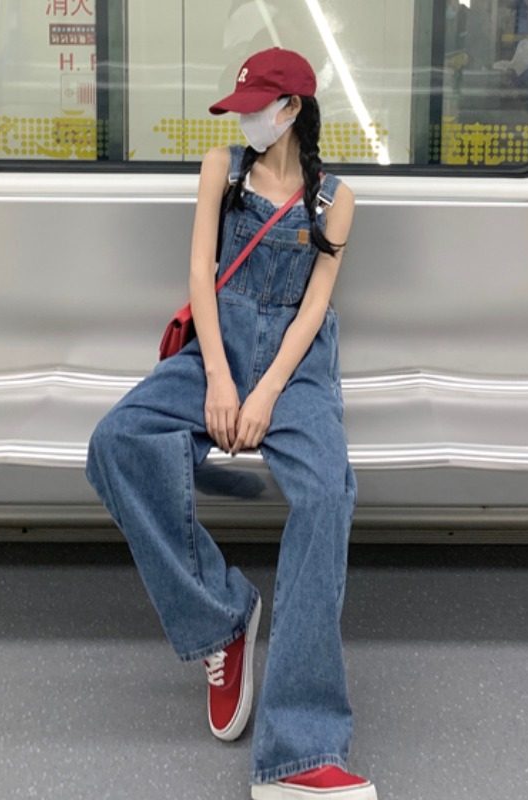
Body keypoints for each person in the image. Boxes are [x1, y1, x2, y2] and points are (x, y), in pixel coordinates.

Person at [84, 46, 377, 800]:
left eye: (257, 108)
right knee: (117, 442)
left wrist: (265, 393)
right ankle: (221, 616)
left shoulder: (335, 200)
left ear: (293, 110)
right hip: (220, 341)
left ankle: (301, 750)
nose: (245, 120)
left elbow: (314, 309)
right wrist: (219, 376)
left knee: (327, 495)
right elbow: (200, 277)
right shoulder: (222, 169)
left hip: (294, 366)